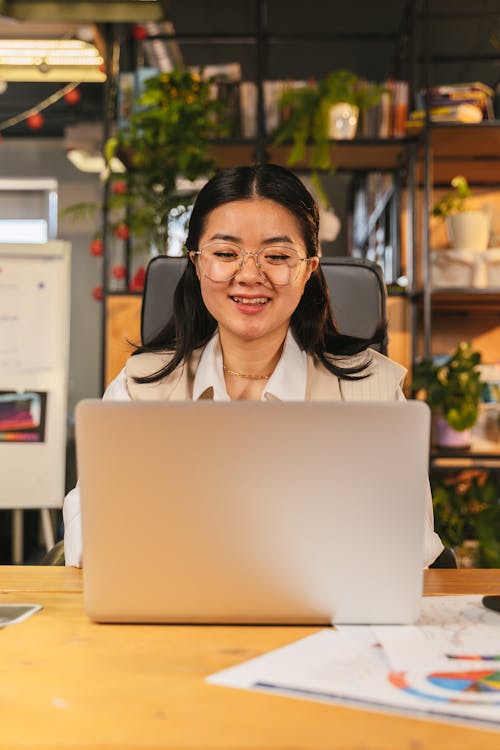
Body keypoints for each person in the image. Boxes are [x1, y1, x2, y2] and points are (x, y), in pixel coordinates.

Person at [63, 163, 443, 567]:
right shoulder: (139, 388)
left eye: (277, 255)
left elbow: (411, 546)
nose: (248, 275)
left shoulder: (373, 391)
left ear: (308, 269)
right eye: (226, 253)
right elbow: (89, 527)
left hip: (329, 621)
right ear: (196, 263)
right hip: (177, 615)